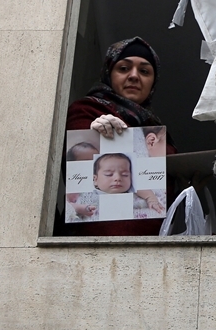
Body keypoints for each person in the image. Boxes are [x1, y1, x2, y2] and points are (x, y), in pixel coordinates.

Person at [63, 37, 177, 235]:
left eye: (144, 71)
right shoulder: (87, 110)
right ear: (109, 73)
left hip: (152, 243)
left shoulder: (154, 130)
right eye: (124, 68)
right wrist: (93, 132)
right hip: (94, 241)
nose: (134, 76)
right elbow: (78, 164)